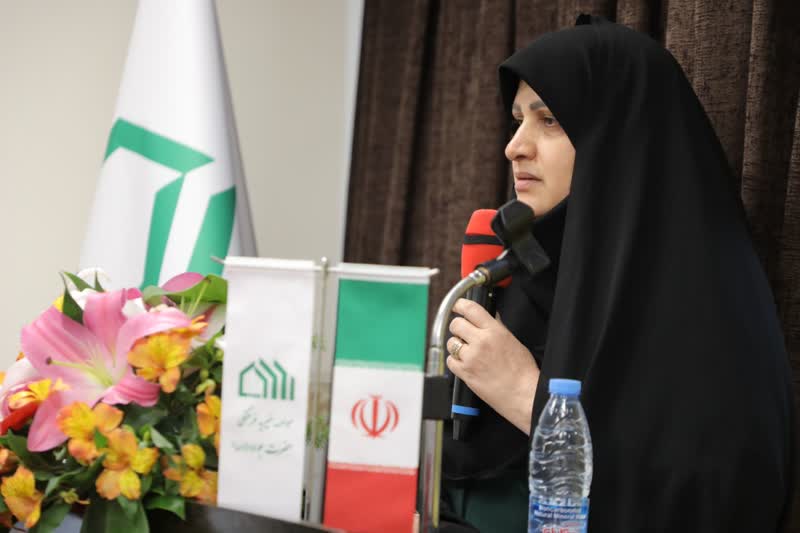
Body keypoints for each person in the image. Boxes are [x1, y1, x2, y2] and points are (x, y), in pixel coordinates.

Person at [440, 15, 794, 533]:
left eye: (548, 120)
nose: (514, 145)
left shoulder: (706, 306)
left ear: (620, 140)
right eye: (517, 120)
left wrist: (525, 394)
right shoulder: (522, 277)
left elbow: (711, 499)